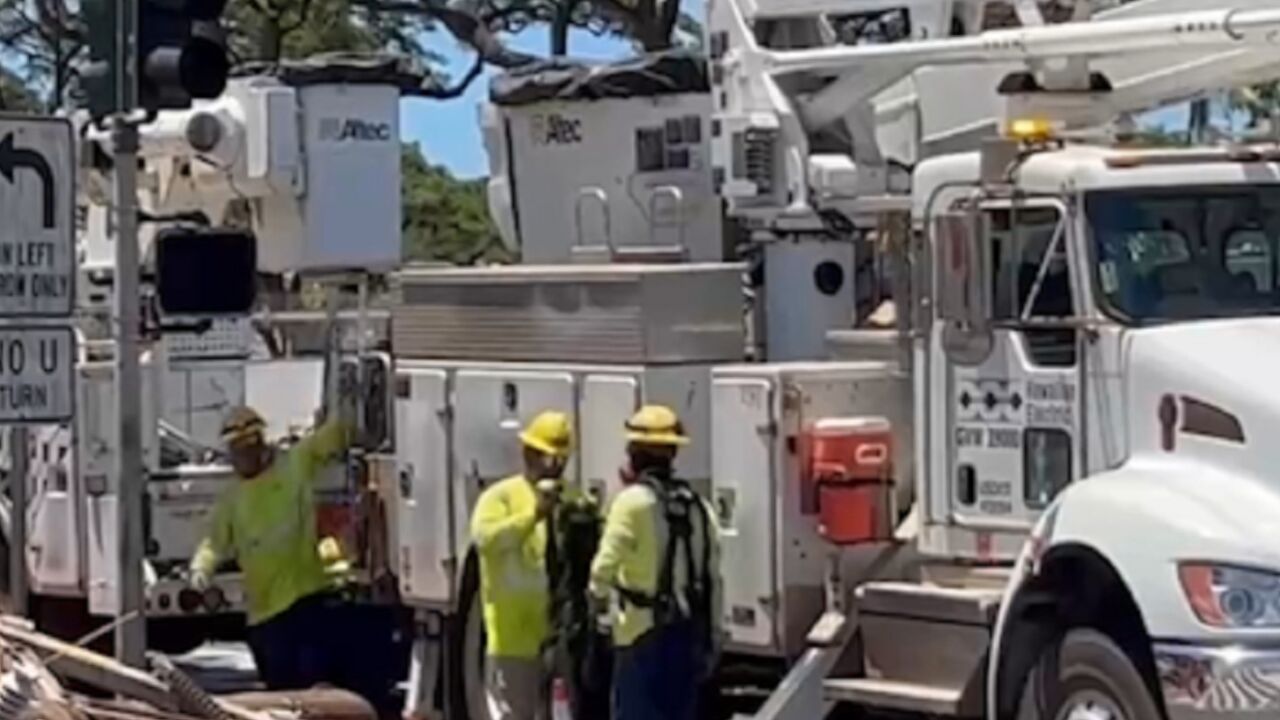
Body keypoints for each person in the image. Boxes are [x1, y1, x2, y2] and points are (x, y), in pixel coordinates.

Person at [189, 403, 352, 691]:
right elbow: (214, 543)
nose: (240, 458)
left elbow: (331, 437)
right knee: (280, 691)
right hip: (265, 616)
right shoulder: (233, 498)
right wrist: (201, 570)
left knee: (310, 689)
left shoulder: (293, 465)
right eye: (235, 451)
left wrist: (349, 409)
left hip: (305, 600)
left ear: (259, 445)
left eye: (245, 449)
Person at [589, 405, 722, 720]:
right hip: (686, 638)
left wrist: (598, 622)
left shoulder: (630, 503)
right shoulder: (699, 506)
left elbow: (601, 572)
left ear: (634, 453)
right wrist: (713, 637)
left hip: (638, 639)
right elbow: (714, 579)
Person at [471, 411, 574, 720]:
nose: (554, 467)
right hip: (512, 640)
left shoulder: (569, 498)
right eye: (547, 457)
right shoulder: (500, 498)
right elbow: (485, 540)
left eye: (560, 460)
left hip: (557, 638)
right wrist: (533, 517)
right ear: (528, 453)